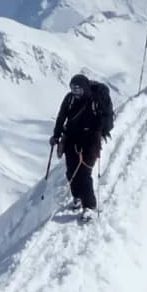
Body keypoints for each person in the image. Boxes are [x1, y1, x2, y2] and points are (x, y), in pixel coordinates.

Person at [49, 73, 113, 216]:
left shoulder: (95, 100)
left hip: (91, 139)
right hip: (72, 138)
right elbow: (61, 117)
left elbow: (106, 119)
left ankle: (89, 206)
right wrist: (56, 135)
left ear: (85, 88)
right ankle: (77, 196)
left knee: (84, 172)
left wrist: (101, 132)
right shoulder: (69, 99)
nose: (75, 92)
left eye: (78, 89)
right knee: (71, 171)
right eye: (73, 89)